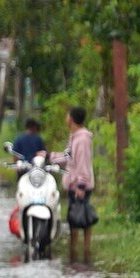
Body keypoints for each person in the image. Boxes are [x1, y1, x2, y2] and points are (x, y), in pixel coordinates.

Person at [52, 106, 95, 263]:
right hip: (74, 185)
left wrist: (81, 186)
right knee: (75, 218)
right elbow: (68, 157)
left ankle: (83, 250)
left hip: (79, 186)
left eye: (67, 115)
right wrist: (49, 156)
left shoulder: (82, 139)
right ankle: (76, 249)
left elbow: (82, 163)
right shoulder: (75, 137)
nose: (66, 118)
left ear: (71, 118)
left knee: (81, 218)